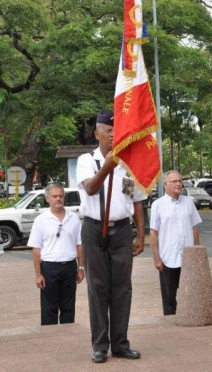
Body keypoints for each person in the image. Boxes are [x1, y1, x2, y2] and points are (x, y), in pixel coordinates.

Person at [76, 110, 146, 363]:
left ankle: (120, 343)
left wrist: (141, 234)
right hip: (94, 229)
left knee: (122, 288)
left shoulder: (129, 164)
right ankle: (100, 345)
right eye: (108, 130)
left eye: (117, 131)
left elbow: (137, 202)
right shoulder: (87, 160)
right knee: (98, 288)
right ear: (97, 134)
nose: (113, 135)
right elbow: (92, 188)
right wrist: (108, 165)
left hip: (122, 231)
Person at [30, 184, 84, 325]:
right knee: (49, 308)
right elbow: (36, 249)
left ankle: (67, 337)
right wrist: (38, 274)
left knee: (68, 307)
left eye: (60, 196)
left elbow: (80, 245)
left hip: (69, 267)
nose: (58, 199)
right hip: (49, 268)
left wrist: (81, 268)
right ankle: (49, 340)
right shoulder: (41, 220)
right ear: (48, 199)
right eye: (54, 196)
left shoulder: (74, 218)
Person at [150, 170, 202, 316]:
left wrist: (197, 251)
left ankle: (191, 317)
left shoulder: (188, 202)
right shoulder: (158, 205)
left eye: (180, 181)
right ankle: (170, 324)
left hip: (188, 256)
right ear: (166, 184)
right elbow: (153, 232)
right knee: (169, 297)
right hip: (168, 258)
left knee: (190, 292)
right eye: (175, 181)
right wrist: (156, 258)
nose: (179, 184)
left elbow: (194, 227)